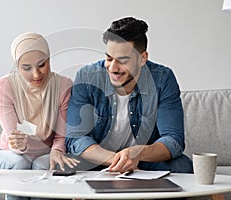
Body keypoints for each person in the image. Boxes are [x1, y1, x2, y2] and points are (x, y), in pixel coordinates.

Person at [65, 16, 193, 174]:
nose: (113, 68)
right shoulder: (87, 77)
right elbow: (75, 137)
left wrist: (136, 153)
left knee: (182, 166)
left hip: (143, 160)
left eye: (122, 61)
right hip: (99, 158)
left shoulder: (162, 79)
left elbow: (174, 139)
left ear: (142, 58)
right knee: (61, 166)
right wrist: (118, 160)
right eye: (109, 58)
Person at [0, 32, 79, 200]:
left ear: (49, 59)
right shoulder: (4, 86)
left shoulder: (63, 85)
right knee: (20, 163)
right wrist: (21, 145)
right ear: (17, 66)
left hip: (45, 152)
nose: (36, 74)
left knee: (43, 164)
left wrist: (57, 151)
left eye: (42, 64)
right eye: (27, 68)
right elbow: (14, 141)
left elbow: (61, 136)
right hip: (9, 152)